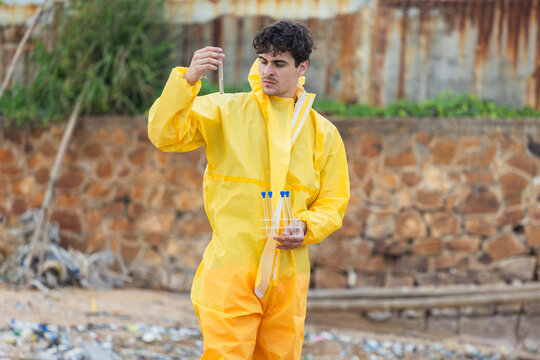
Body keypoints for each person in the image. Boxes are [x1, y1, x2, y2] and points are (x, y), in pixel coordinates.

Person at [148, 19, 349, 360]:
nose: (268, 71)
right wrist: (188, 79)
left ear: (303, 67)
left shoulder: (322, 133)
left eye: (280, 64)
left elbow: (333, 200)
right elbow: (165, 133)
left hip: (287, 277)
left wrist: (306, 226)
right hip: (231, 270)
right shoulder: (226, 110)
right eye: (263, 61)